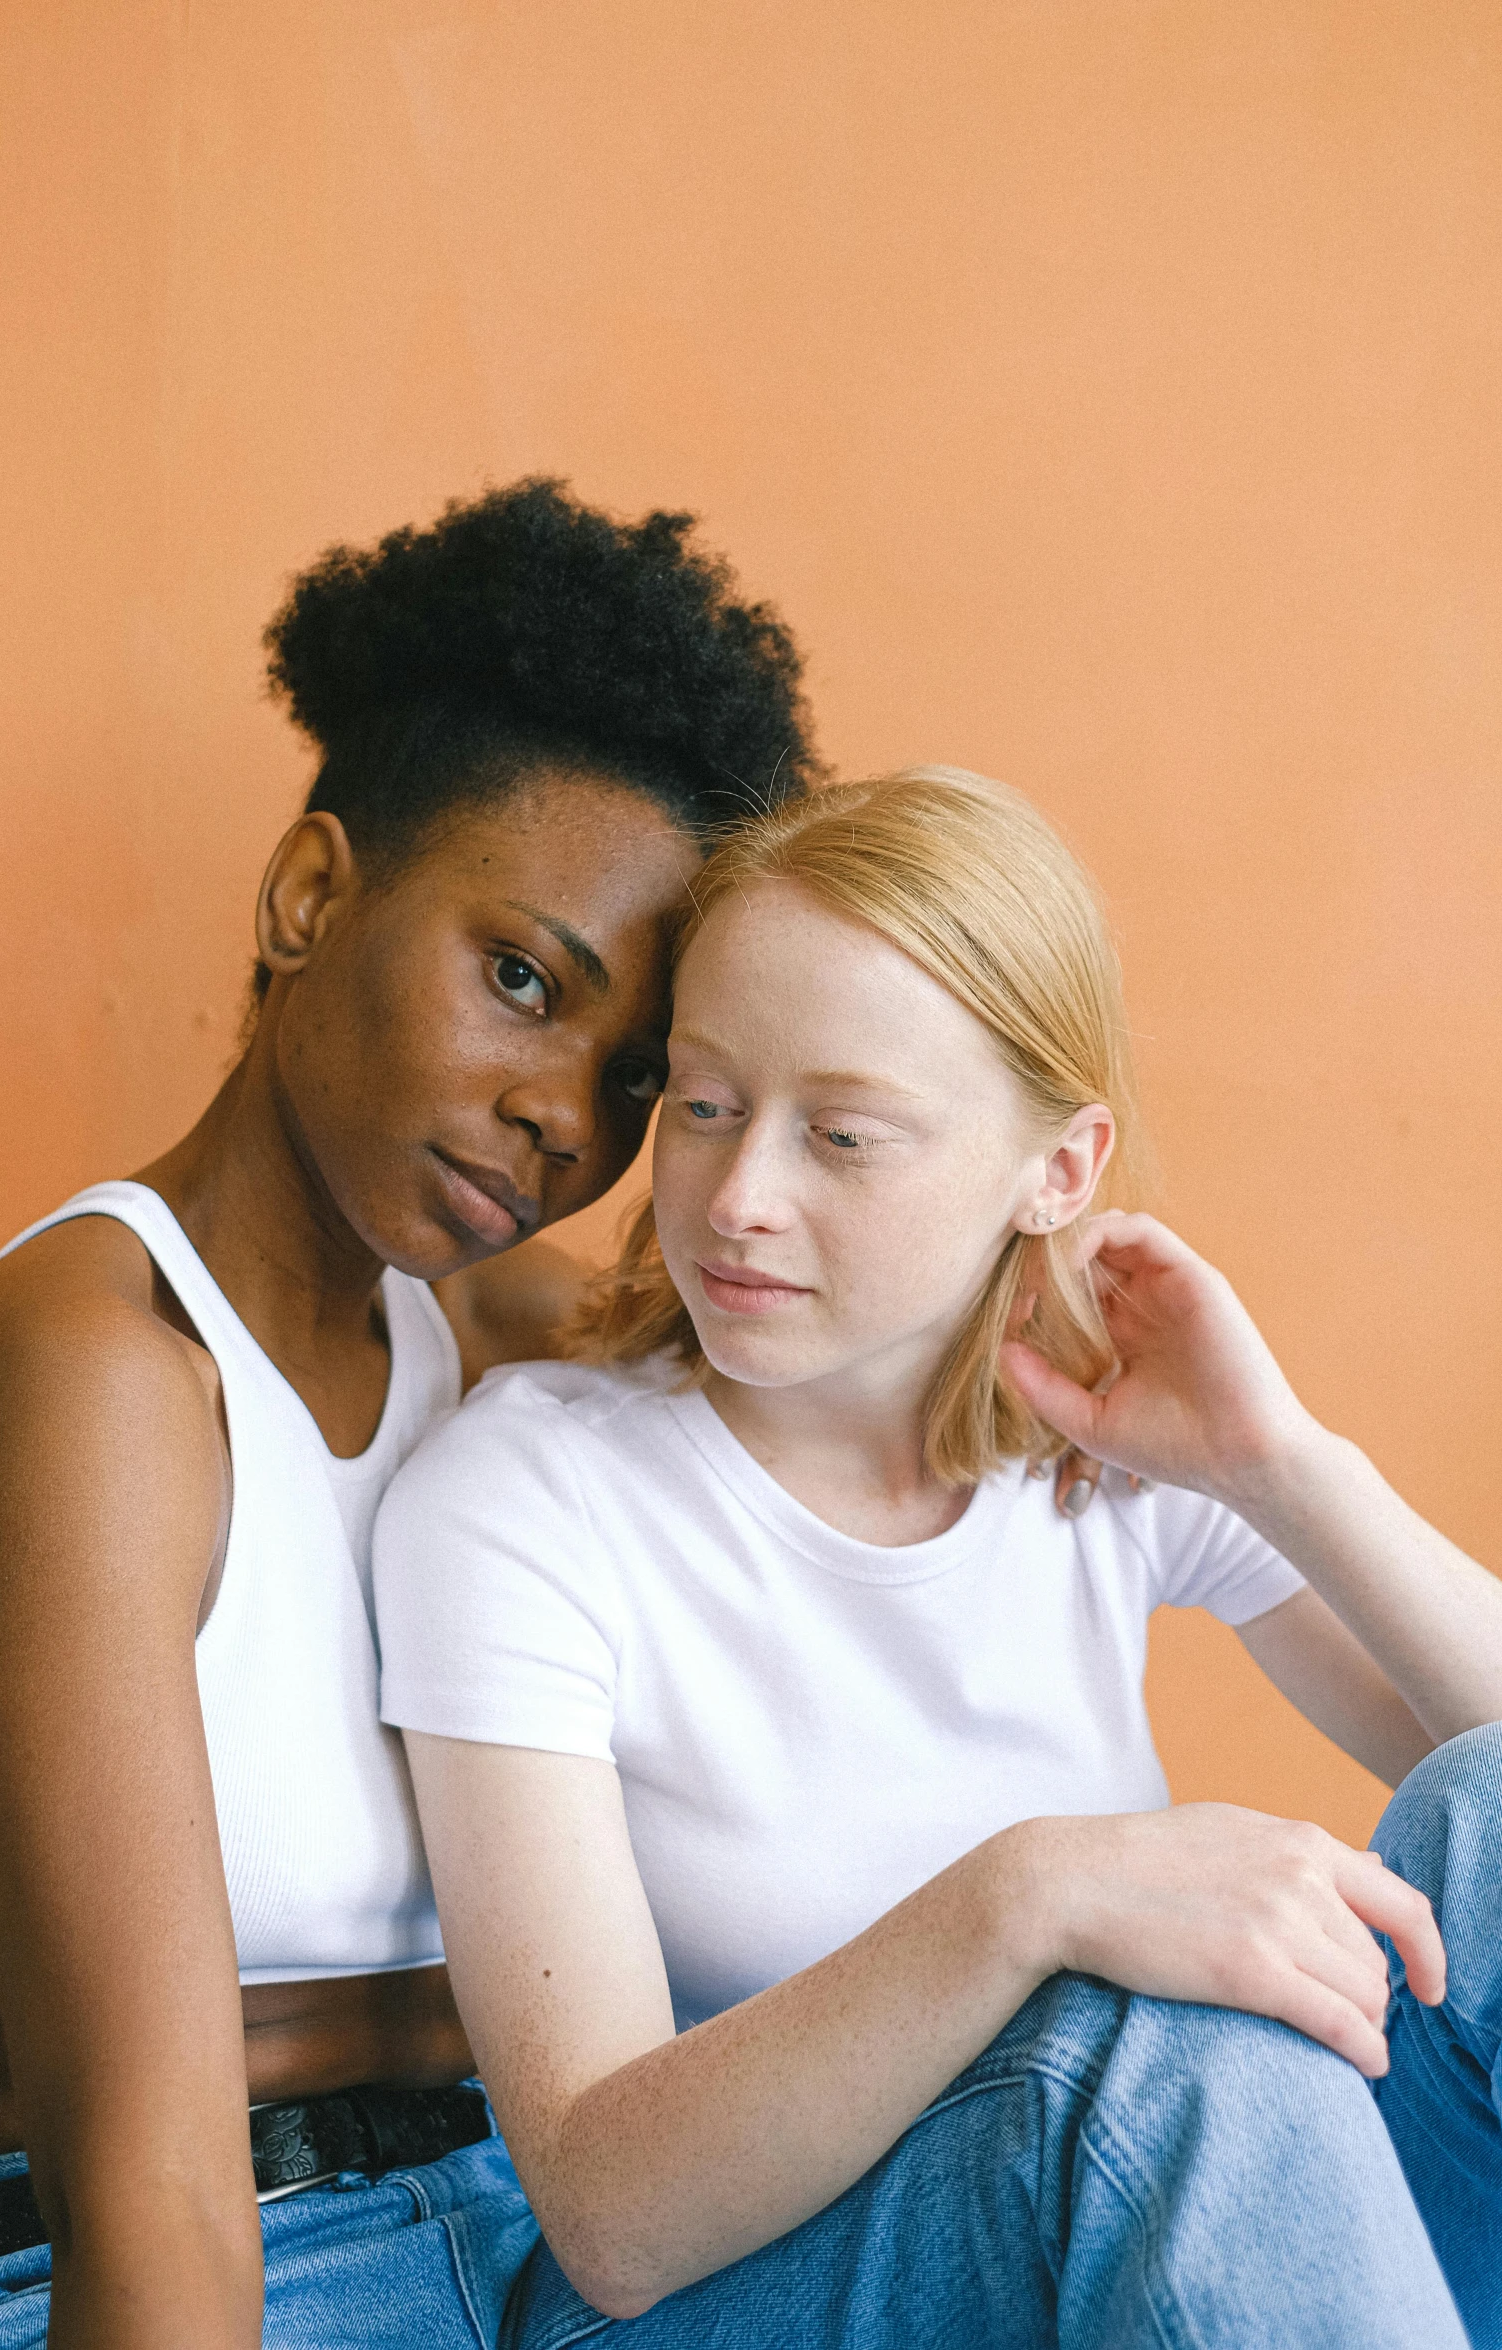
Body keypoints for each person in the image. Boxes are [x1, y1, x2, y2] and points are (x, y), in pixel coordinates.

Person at [377, 766, 1502, 2348]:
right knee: (1170, 2038)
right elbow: (607, 2213)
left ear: (1055, 1168)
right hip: (728, 2300)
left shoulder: (1099, 1457)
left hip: (1156, 2237)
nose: (739, 1196)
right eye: (700, 1101)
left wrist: (1282, 1466)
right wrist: (1033, 1893)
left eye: (840, 1134)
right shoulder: (528, 1497)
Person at [0, 479, 821, 2349]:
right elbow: (153, 2210)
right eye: (520, 979)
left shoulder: (492, 1343)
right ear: (313, 891)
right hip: (152, 2270)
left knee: (1132, 2099)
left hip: (508, 2241)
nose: (564, 1119)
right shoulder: (99, 1367)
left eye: (633, 1071)